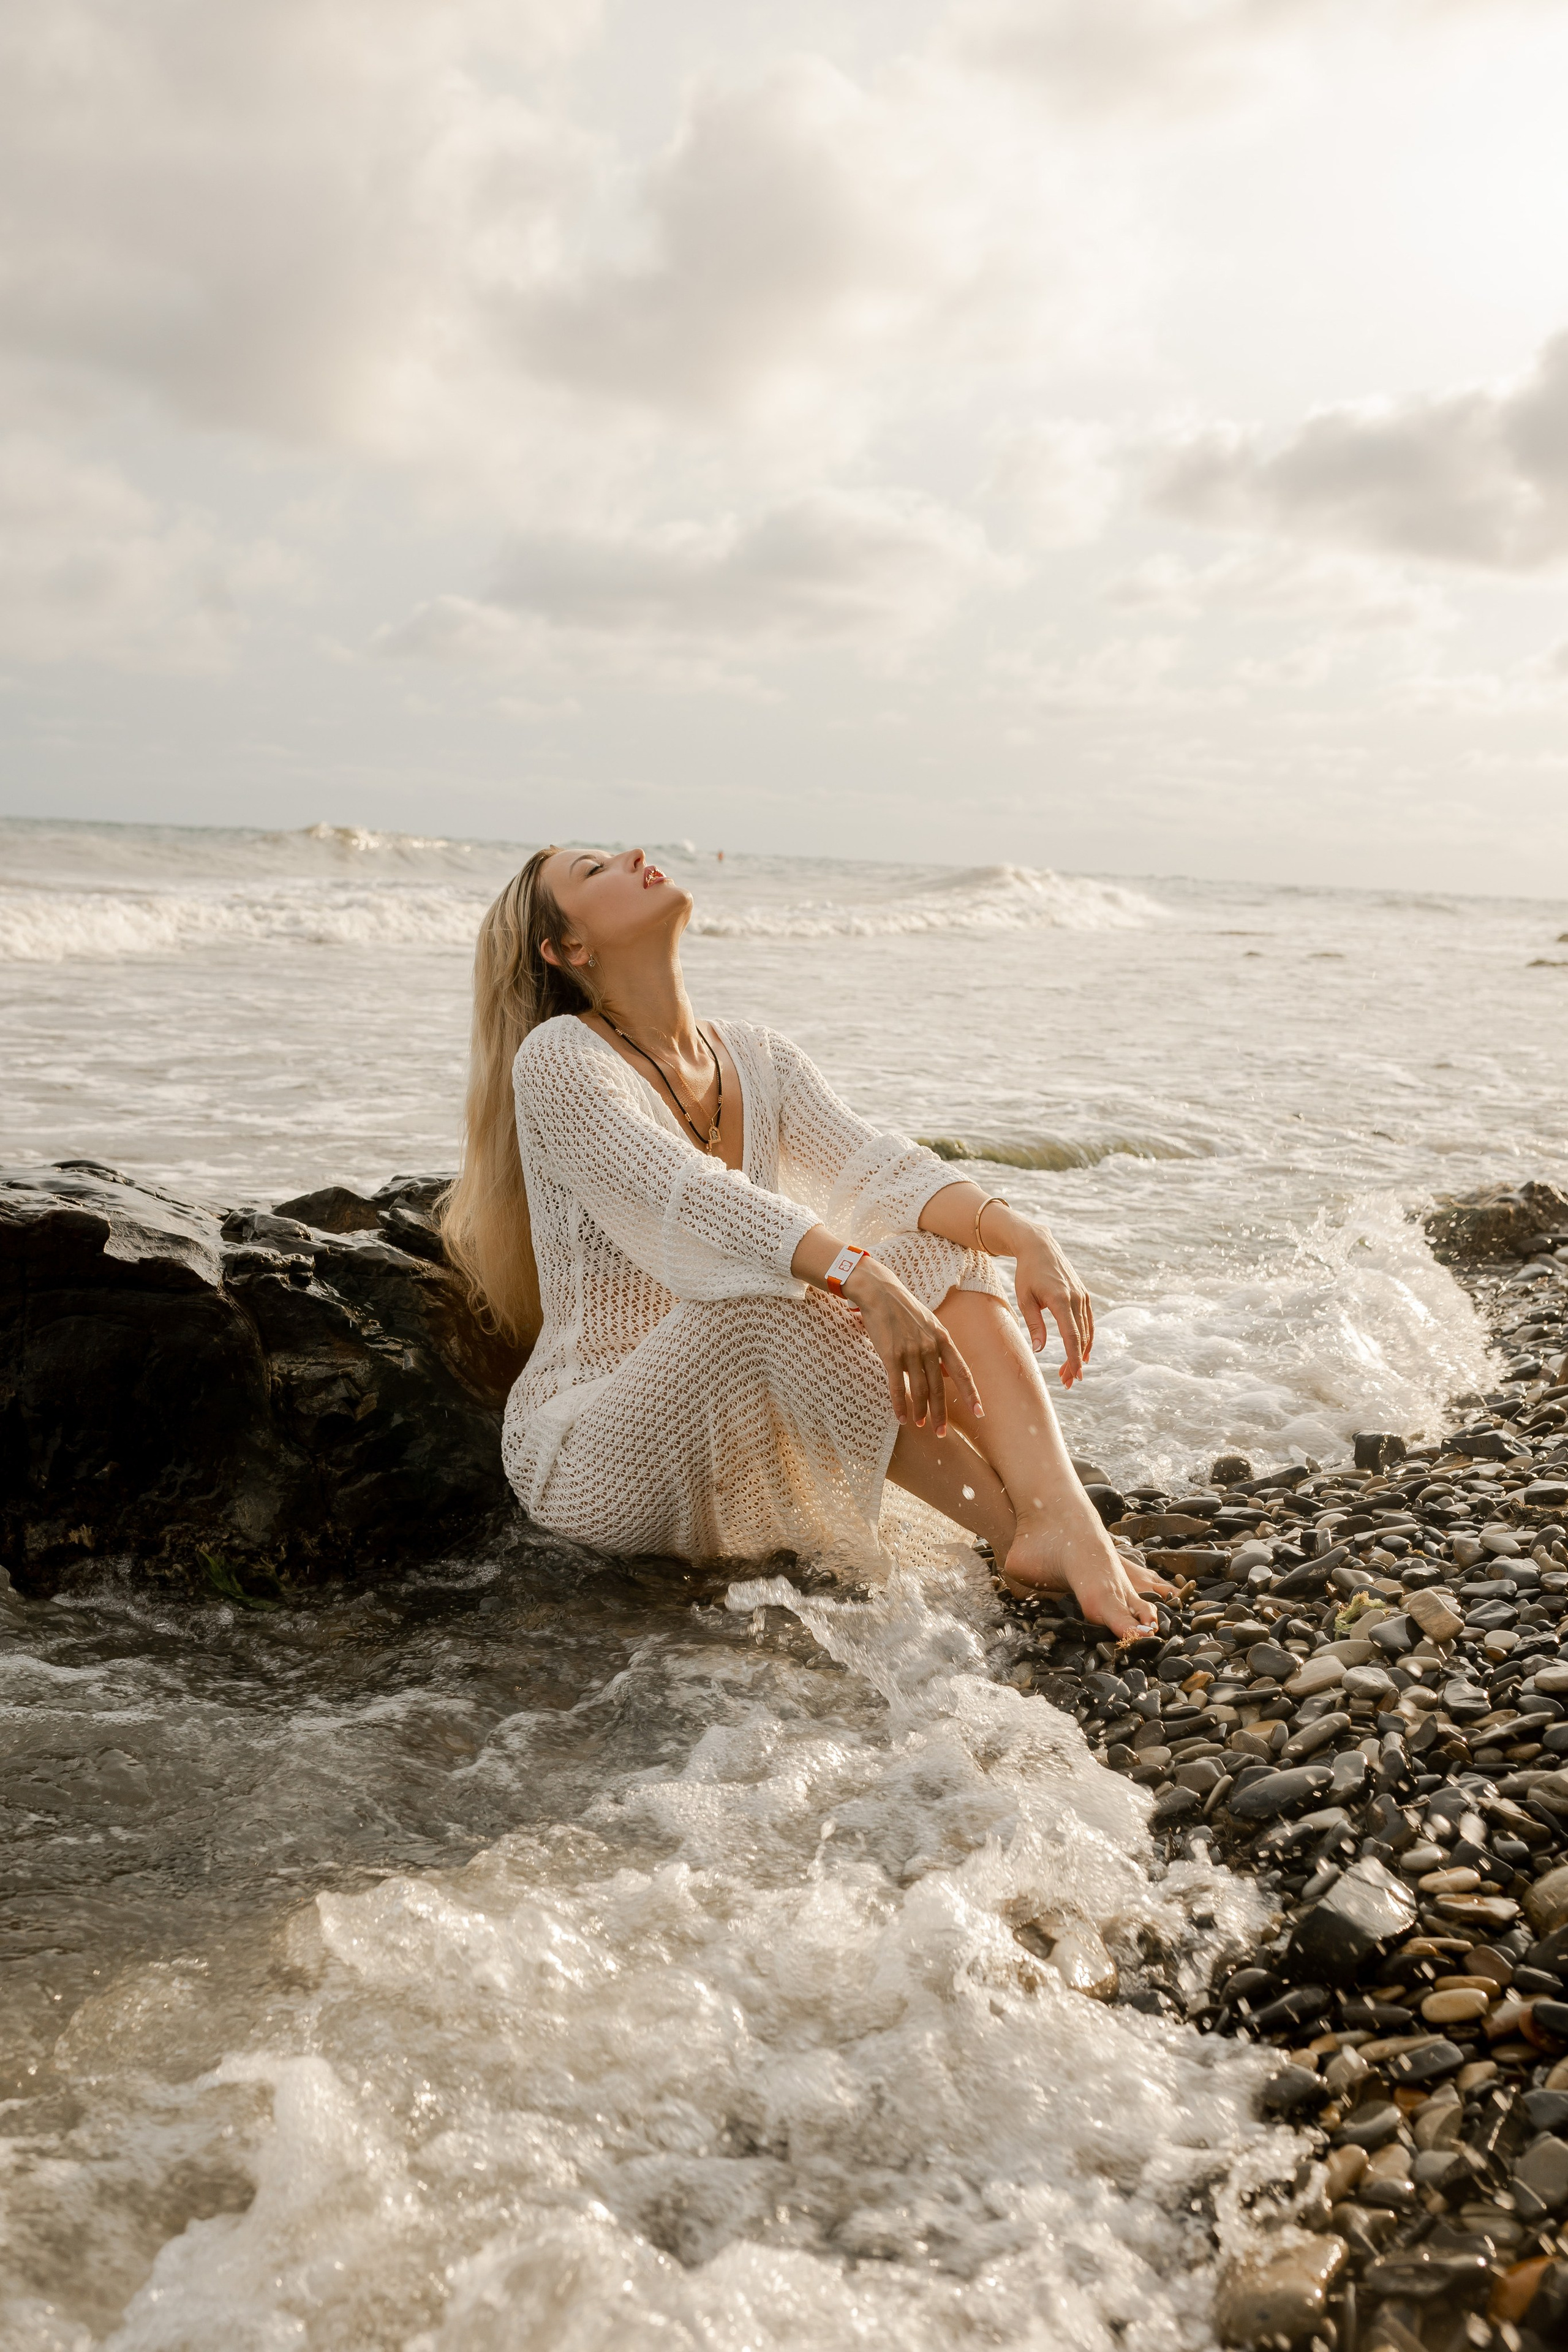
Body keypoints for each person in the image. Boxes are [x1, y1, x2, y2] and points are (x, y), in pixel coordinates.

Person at [442, 845, 1170, 1636]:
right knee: (767, 1298)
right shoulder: (559, 1059)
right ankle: (1015, 1533)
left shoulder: (757, 1057)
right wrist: (864, 1278)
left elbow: (881, 1167)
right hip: (595, 1455)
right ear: (567, 948)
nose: (634, 855)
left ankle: (1058, 1516)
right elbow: (695, 1198)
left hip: (740, 1432)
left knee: (944, 1249)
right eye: (594, 870)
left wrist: (1021, 1234)